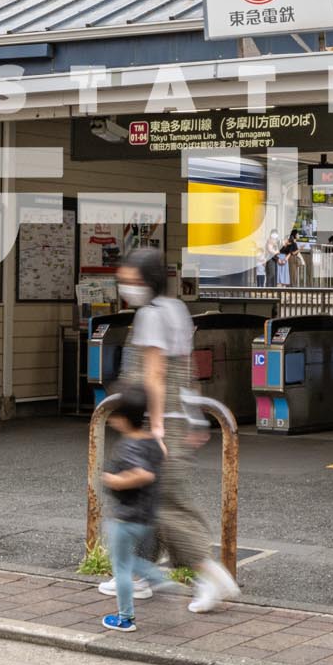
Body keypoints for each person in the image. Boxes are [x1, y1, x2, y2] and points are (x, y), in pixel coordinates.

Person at [96, 248, 241, 613]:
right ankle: (136, 576)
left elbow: (156, 374)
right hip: (176, 416)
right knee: (148, 500)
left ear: (148, 280)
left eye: (130, 281)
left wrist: (156, 428)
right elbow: (186, 371)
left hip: (159, 418)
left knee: (163, 503)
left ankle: (209, 574)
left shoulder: (151, 315)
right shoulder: (175, 309)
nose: (126, 287)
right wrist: (193, 418)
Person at [98, 406, 170, 630]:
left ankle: (125, 618)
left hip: (124, 517)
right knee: (130, 561)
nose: (113, 422)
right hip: (147, 517)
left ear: (123, 420)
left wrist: (114, 480)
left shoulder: (128, 444)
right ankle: (158, 578)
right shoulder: (152, 441)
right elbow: (162, 456)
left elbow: (143, 474)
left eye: (115, 418)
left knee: (121, 566)